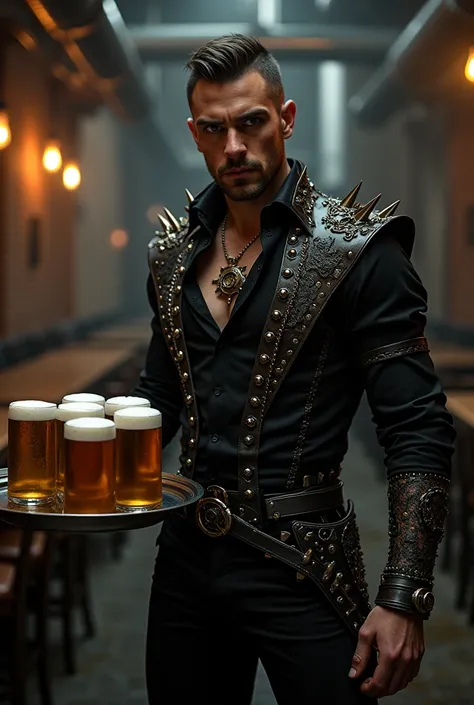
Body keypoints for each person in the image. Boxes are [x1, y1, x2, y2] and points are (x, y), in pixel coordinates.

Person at [133, 34, 455, 705]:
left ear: (286, 117)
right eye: (215, 129)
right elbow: (156, 402)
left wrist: (404, 593)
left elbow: (418, 429)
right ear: (194, 132)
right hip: (187, 560)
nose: (234, 148)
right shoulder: (170, 258)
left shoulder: (361, 253)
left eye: (251, 122)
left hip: (303, 562)